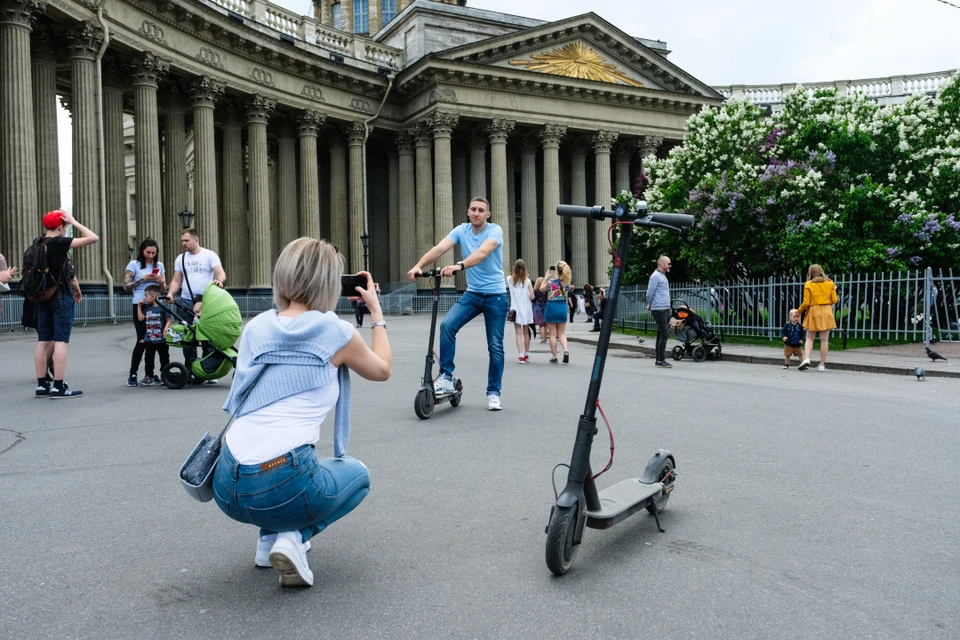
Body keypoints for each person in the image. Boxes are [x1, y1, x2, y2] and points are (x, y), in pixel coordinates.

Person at [213, 238, 390, 588]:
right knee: (358, 476)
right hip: (280, 484)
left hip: (225, 483)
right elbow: (382, 369)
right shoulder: (335, 332)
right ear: (329, 283)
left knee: (275, 454)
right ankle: (293, 537)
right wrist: (377, 312)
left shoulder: (257, 328)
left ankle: (267, 541)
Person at [407, 196, 508, 411]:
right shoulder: (461, 230)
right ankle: (445, 376)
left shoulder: (494, 231)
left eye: (481, 210)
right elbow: (438, 249)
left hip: (496, 295)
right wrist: (418, 265)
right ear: (468, 211)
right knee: (447, 325)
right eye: (473, 209)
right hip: (473, 294)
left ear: (487, 214)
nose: (476, 213)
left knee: (495, 346)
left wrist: (459, 266)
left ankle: (493, 393)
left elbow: (482, 253)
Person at [29, 209, 99, 398]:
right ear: (60, 226)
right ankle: (58, 386)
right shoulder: (58, 243)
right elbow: (93, 238)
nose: (67, 229)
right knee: (61, 341)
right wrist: (75, 221)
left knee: (43, 341)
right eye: (66, 226)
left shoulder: (37, 244)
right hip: (61, 296)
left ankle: (42, 385)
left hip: (43, 297)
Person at [124, 238, 167, 386]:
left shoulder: (159, 265)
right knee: (142, 339)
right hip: (140, 303)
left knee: (157, 340)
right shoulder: (134, 265)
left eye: (154, 253)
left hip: (156, 303)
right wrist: (142, 279)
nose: (151, 255)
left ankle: (152, 373)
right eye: (148, 252)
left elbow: (163, 289)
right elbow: (126, 286)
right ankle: (133, 374)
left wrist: (161, 282)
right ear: (142, 251)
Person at [167, 228, 226, 317]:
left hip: (205, 300)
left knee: (205, 329)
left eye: (186, 240)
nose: (183, 243)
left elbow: (221, 273)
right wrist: (170, 293)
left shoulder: (209, 255)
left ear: (196, 240)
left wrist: (219, 281)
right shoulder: (180, 258)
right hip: (186, 300)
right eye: (182, 241)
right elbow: (176, 281)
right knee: (186, 329)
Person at [797, 264, 838, 371]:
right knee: (824, 340)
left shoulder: (808, 284)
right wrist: (834, 290)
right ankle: (821, 365)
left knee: (810, 338)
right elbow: (834, 300)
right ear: (821, 271)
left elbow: (806, 302)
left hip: (814, 311)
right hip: (826, 311)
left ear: (810, 273)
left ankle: (806, 358)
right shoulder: (830, 283)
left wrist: (798, 312)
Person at [137, 285, 171, 385]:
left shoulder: (163, 307)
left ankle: (165, 376)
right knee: (149, 359)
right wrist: (139, 306)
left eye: (146, 296)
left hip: (161, 339)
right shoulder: (147, 307)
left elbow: (168, 320)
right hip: (149, 339)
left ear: (153, 297)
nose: (144, 298)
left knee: (164, 358)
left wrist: (165, 329)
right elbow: (140, 318)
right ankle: (149, 376)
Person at [539, 261, 572, 364]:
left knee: (552, 334)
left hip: (552, 307)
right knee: (561, 333)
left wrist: (546, 277)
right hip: (562, 307)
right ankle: (566, 350)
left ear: (557, 270)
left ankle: (554, 356)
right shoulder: (567, 284)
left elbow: (541, 289)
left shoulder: (551, 282)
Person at [646, 255, 672, 368]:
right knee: (664, 333)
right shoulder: (655, 276)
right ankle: (661, 359)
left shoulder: (662, 276)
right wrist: (649, 304)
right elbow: (649, 293)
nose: (670, 266)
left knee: (660, 334)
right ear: (661, 264)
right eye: (668, 263)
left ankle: (658, 359)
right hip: (659, 309)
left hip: (664, 308)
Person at [507, 259, 534, 363]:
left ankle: (521, 355)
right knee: (526, 333)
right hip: (526, 308)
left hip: (515, 308)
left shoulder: (510, 279)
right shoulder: (527, 281)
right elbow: (532, 296)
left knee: (518, 333)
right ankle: (526, 354)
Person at [532, 276, 547, 343]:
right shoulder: (546, 291)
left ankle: (543, 339)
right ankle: (545, 338)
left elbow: (533, 300)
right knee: (545, 324)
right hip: (546, 307)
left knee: (541, 325)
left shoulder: (535, 291)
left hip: (538, 308)